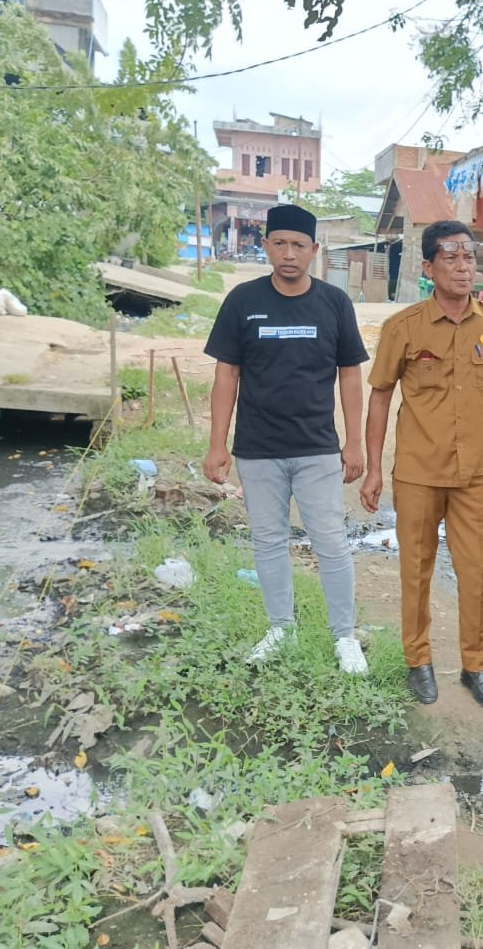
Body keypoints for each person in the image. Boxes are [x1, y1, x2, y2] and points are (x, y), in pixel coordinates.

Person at [360, 220, 483, 709]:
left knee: (477, 575)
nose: (463, 266)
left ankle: (477, 666)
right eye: (450, 257)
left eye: (469, 256)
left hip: (473, 474)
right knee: (417, 571)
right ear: (428, 267)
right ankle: (419, 661)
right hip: (417, 472)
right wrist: (373, 467)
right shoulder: (403, 328)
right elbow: (380, 398)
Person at [203, 203, 370, 673]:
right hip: (257, 449)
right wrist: (218, 443)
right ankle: (280, 628)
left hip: (317, 447)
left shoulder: (334, 303)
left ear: (314, 250)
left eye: (299, 245)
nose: (289, 253)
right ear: (266, 246)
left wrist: (353, 442)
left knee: (331, 542)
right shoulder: (242, 301)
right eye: (280, 243)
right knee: (268, 541)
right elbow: (226, 374)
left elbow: (350, 377)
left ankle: (345, 637)